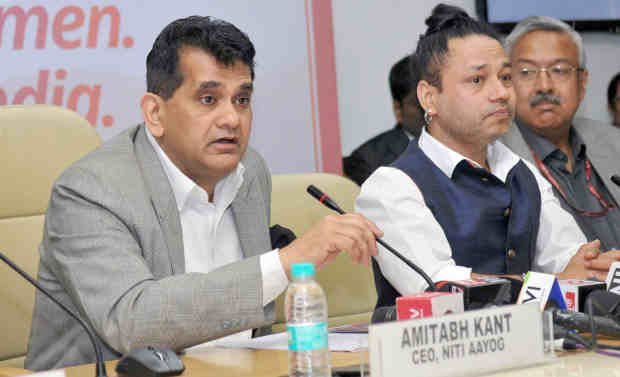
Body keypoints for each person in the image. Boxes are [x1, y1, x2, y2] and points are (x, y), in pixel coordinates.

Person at [25, 16, 381, 370]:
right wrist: (286, 262)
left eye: (242, 100)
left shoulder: (249, 171)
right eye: (209, 99)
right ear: (154, 113)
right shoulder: (91, 190)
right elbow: (134, 323)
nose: (231, 118)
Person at [355, 4, 620, 308]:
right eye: (478, 80)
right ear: (430, 97)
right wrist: (553, 284)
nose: (501, 93)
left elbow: (567, 257)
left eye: (506, 78)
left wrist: (597, 268)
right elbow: (442, 287)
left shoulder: (521, 172)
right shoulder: (391, 187)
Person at [501, 16, 620, 252]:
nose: (544, 86)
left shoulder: (614, 141)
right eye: (527, 71)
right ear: (507, 81)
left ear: (582, 82)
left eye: (559, 70)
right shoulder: (492, 156)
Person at [343, 54, 424, 186]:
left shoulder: (463, 145)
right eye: (419, 103)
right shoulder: (367, 161)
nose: (430, 108)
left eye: (432, 98)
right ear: (398, 108)